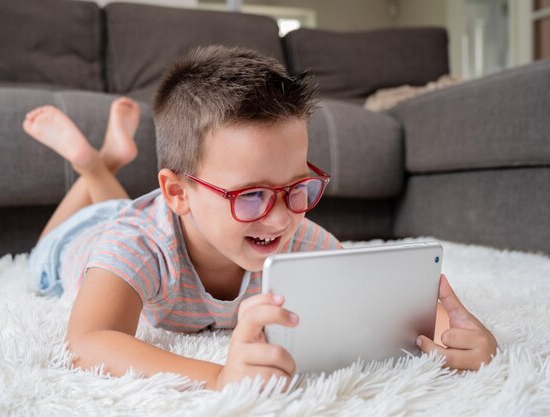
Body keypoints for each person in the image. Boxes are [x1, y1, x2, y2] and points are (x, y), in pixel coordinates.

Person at [25, 45, 497, 391]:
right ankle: (91, 165)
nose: (278, 220)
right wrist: (219, 376)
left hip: (144, 209)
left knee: (113, 203)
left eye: (296, 188)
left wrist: (456, 336)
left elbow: (380, 302)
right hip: (77, 240)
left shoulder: (299, 235)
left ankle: (105, 160)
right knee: (86, 222)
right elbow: (87, 341)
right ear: (177, 193)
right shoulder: (134, 244)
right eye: (250, 196)